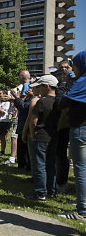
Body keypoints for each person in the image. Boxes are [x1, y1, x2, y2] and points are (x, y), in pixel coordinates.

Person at [58, 51, 86, 220]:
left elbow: (61, 103)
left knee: (81, 169)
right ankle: (82, 201)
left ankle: (82, 211)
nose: (72, 68)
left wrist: (63, 84)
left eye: (74, 64)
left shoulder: (81, 82)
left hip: (81, 129)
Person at [24, 75, 60, 201]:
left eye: (40, 87)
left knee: (40, 165)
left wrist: (32, 133)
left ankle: (40, 192)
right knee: (51, 165)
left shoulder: (42, 102)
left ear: (47, 86)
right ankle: (51, 191)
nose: (39, 90)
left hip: (41, 136)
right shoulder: (59, 102)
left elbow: (34, 121)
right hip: (54, 136)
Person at [53, 61, 73, 193]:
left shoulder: (74, 85)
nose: (64, 70)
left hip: (70, 124)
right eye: (61, 68)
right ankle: (59, 180)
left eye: (67, 67)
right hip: (59, 124)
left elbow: (61, 104)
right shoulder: (59, 86)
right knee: (59, 153)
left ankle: (62, 182)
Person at [11, 70, 32, 170]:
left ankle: (24, 164)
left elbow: (23, 104)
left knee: (22, 142)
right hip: (23, 118)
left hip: (25, 119)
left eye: (19, 76)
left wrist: (15, 98)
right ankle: (23, 164)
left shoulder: (26, 86)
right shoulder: (25, 86)